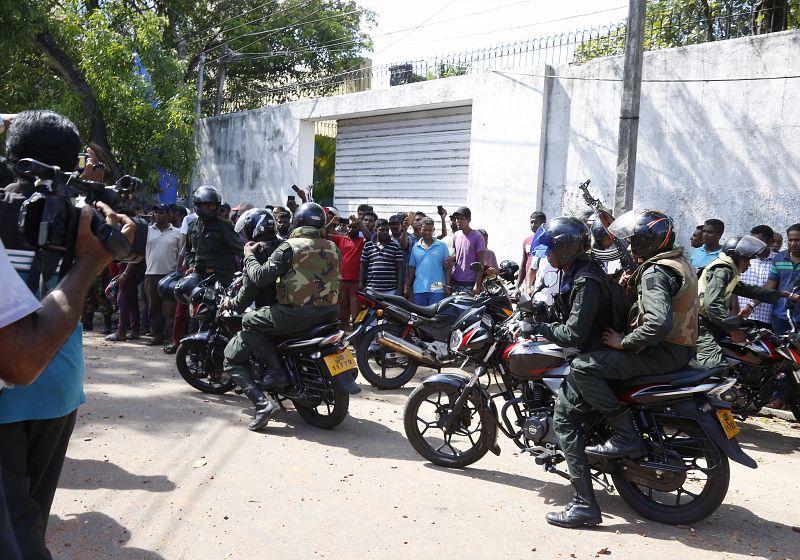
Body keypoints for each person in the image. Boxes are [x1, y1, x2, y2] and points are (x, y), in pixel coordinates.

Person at [0, 109, 135, 559]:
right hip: (56, 390)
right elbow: (127, 249)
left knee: (17, 532)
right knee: (29, 521)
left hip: (11, 392)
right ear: (73, 162)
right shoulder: (87, 216)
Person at [547, 209, 699, 528]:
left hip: (660, 352)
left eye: (633, 243)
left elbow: (657, 323)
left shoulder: (656, 271)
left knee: (581, 373)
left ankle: (588, 499)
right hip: (678, 351)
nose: (628, 249)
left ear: (648, 242)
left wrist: (623, 341)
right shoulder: (676, 261)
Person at [523, 218, 618, 529]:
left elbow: (574, 333)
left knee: (564, 419)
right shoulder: (581, 272)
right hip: (597, 352)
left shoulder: (585, 280)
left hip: (593, 357)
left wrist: (541, 328)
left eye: (551, 249)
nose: (547, 255)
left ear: (566, 248)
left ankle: (584, 504)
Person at [222, 202, 341, 430]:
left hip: (298, 314)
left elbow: (261, 277)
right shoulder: (332, 246)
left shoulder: (290, 247)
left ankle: (276, 374)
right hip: (329, 314)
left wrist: (248, 256)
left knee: (249, 321)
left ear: (296, 222)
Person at [695, 235, 797, 367]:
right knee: (715, 365)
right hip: (701, 325)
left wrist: (785, 295)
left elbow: (749, 290)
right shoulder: (722, 270)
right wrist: (733, 331)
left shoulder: (729, 271)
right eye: (746, 260)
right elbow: (712, 305)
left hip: (713, 323)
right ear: (736, 257)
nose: (749, 264)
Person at [184, 185, 244, 287]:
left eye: (212, 205)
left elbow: (240, 249)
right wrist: (192, 264)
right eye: (205, 205)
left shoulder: (224, 226)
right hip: (199, 278)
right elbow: (188, 250)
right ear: (197, 205)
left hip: (221, 280)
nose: (209, 209)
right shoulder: (192, 226)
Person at [143, 204, 181, 346]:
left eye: (162, 212)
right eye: (156, 212)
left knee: (170, 307)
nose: (158, 215)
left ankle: (172, 337)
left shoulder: (177, 232)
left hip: (170, 276)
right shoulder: (147, 231)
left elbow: (182, 253)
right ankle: (157, 335)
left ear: (169, 215)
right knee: (154, 307)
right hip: (151, 274)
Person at [736, 225, 777, 329]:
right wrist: (734, 312)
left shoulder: (778, 261)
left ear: (770, 241)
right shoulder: (743, 259)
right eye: (752, 240)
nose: (754, 244)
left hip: (768, 317)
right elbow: (734, 286)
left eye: (758, 240)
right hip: (742, 314)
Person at [329, 216, 366, 330]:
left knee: (356, 316)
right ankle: (339, 342)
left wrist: (360, 224)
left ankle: (356, 344)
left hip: (356, 283)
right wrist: (331, 223)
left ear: (358, 229)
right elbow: (322, 234)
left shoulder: (362, 241)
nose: (351, 229)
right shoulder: (341, 239)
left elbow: (371, 238)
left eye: (354, 227)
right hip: (341, 282)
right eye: (349, 227)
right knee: (341, 316)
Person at [405, 217, 451, 304]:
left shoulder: (442, 245)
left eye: (430, 230)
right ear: (420, 230)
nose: (427, 232)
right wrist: (407, 286)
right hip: (419, 288)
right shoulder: (416, 246)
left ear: (433, 230)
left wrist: (448, 286)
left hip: (437, 288)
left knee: (434, 316)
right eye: (425, 230)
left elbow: (447, 267)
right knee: (420, 317)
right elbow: (412, 269)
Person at [764, 224, 800, 336]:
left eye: (797, 240)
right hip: (780, 316)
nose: (793, 243)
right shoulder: (779, 258)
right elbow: (770, 286)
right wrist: (751, 305)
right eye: (790, 240)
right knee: (783, 352)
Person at [360, 218, 404, 295]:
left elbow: (400, 269)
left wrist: (399, 289)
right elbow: (363, 267)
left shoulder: (395, 245)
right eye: (381, 230)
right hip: (372, 289)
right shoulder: (368, 245)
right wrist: (361, 284)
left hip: (391, 290)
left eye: (387, 230)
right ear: (375, 229)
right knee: (371, 308)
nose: (385, 232)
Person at [448, 207, 485, 294]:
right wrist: (449, 259)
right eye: (457, 218)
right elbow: (459, 255)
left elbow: (481, 262)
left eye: (462, 218)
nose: (458, 221)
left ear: (469, 220)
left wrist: (477, 284)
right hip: (455, 280)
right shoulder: (456, 235)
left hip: (470, 283)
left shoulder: (478, 236)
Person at [515, 211, 546, 297]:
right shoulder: (527, 241)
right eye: (531, 222)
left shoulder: (548, 240)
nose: (533, 224)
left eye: (536, 222)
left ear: (543, 223)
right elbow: (523, 264)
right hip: (528, 284)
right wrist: (517, 286)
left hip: (543, 284)